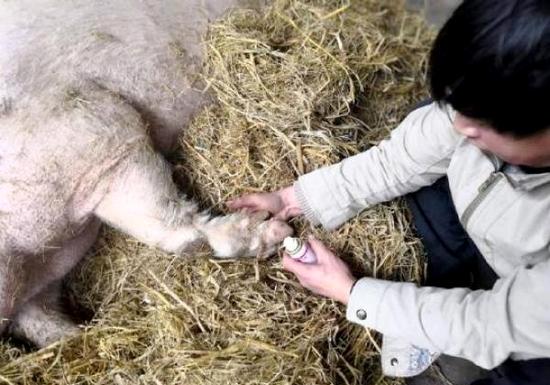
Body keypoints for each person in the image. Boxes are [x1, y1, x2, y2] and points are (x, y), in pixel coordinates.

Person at [227, 0, 550, 384]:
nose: (461, 125)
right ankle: (443, 284)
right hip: (496, 227)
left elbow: (489, 324)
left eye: (482, 121)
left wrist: (353, 294)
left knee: (526, 367)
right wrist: (294, 199)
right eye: (456, 104)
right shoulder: (489, 102)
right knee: (425, 157)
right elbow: (399, 160)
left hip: (536, 316)